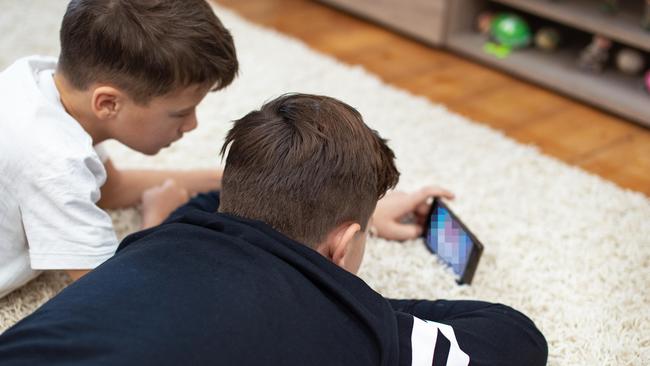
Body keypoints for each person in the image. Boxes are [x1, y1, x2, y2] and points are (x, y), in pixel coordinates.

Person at [0, 94, 548, 366]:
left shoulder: (164, 236)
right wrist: (353, 299)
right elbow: (514, 337)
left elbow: (225, 200)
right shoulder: (360, 329)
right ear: (340, 244)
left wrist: (363, 220)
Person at [0, 0, 238, 298]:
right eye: (180, 113)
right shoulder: (55, 162)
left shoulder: (36, 79)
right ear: (108, 103)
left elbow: (112, 189)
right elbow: (111, 293)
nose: (192, 125)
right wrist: (158, 219)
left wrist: (227, 179)